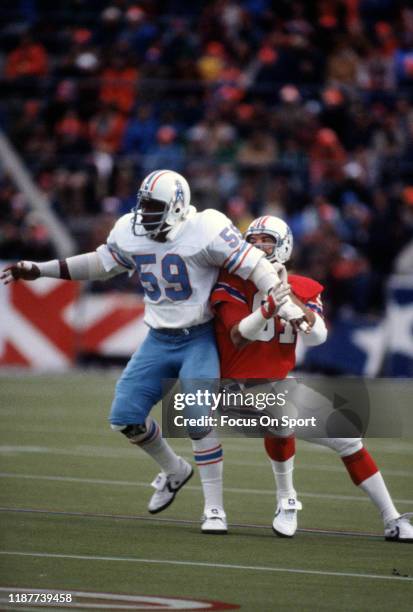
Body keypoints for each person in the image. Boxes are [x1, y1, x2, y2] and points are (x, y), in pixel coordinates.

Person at [1, 170, 308, 534]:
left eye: (154, 206)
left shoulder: (206, 228)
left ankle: (214, 509)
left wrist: (285, 305)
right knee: (125, 416)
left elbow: (257, 265)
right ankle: (174, 469)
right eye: (143, 204)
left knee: (197, 419)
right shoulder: (130, 230)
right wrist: (41, 269)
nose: (144, 213)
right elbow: (100, 264)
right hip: (158, 339)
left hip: (198, 337)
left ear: (178, 207)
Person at [211, 215, 413, 542]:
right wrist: (268, 306)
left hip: (279, 387)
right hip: (232, 389)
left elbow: (317, 336)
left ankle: (392, 518)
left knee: (348, 438)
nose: (259, 246)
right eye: (254, 240)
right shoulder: (231, 282)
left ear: (285, 247)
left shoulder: (303, 287)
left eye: (267, 241)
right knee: (281, 416)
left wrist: (286, 297)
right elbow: (238, 336)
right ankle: (286, 499)